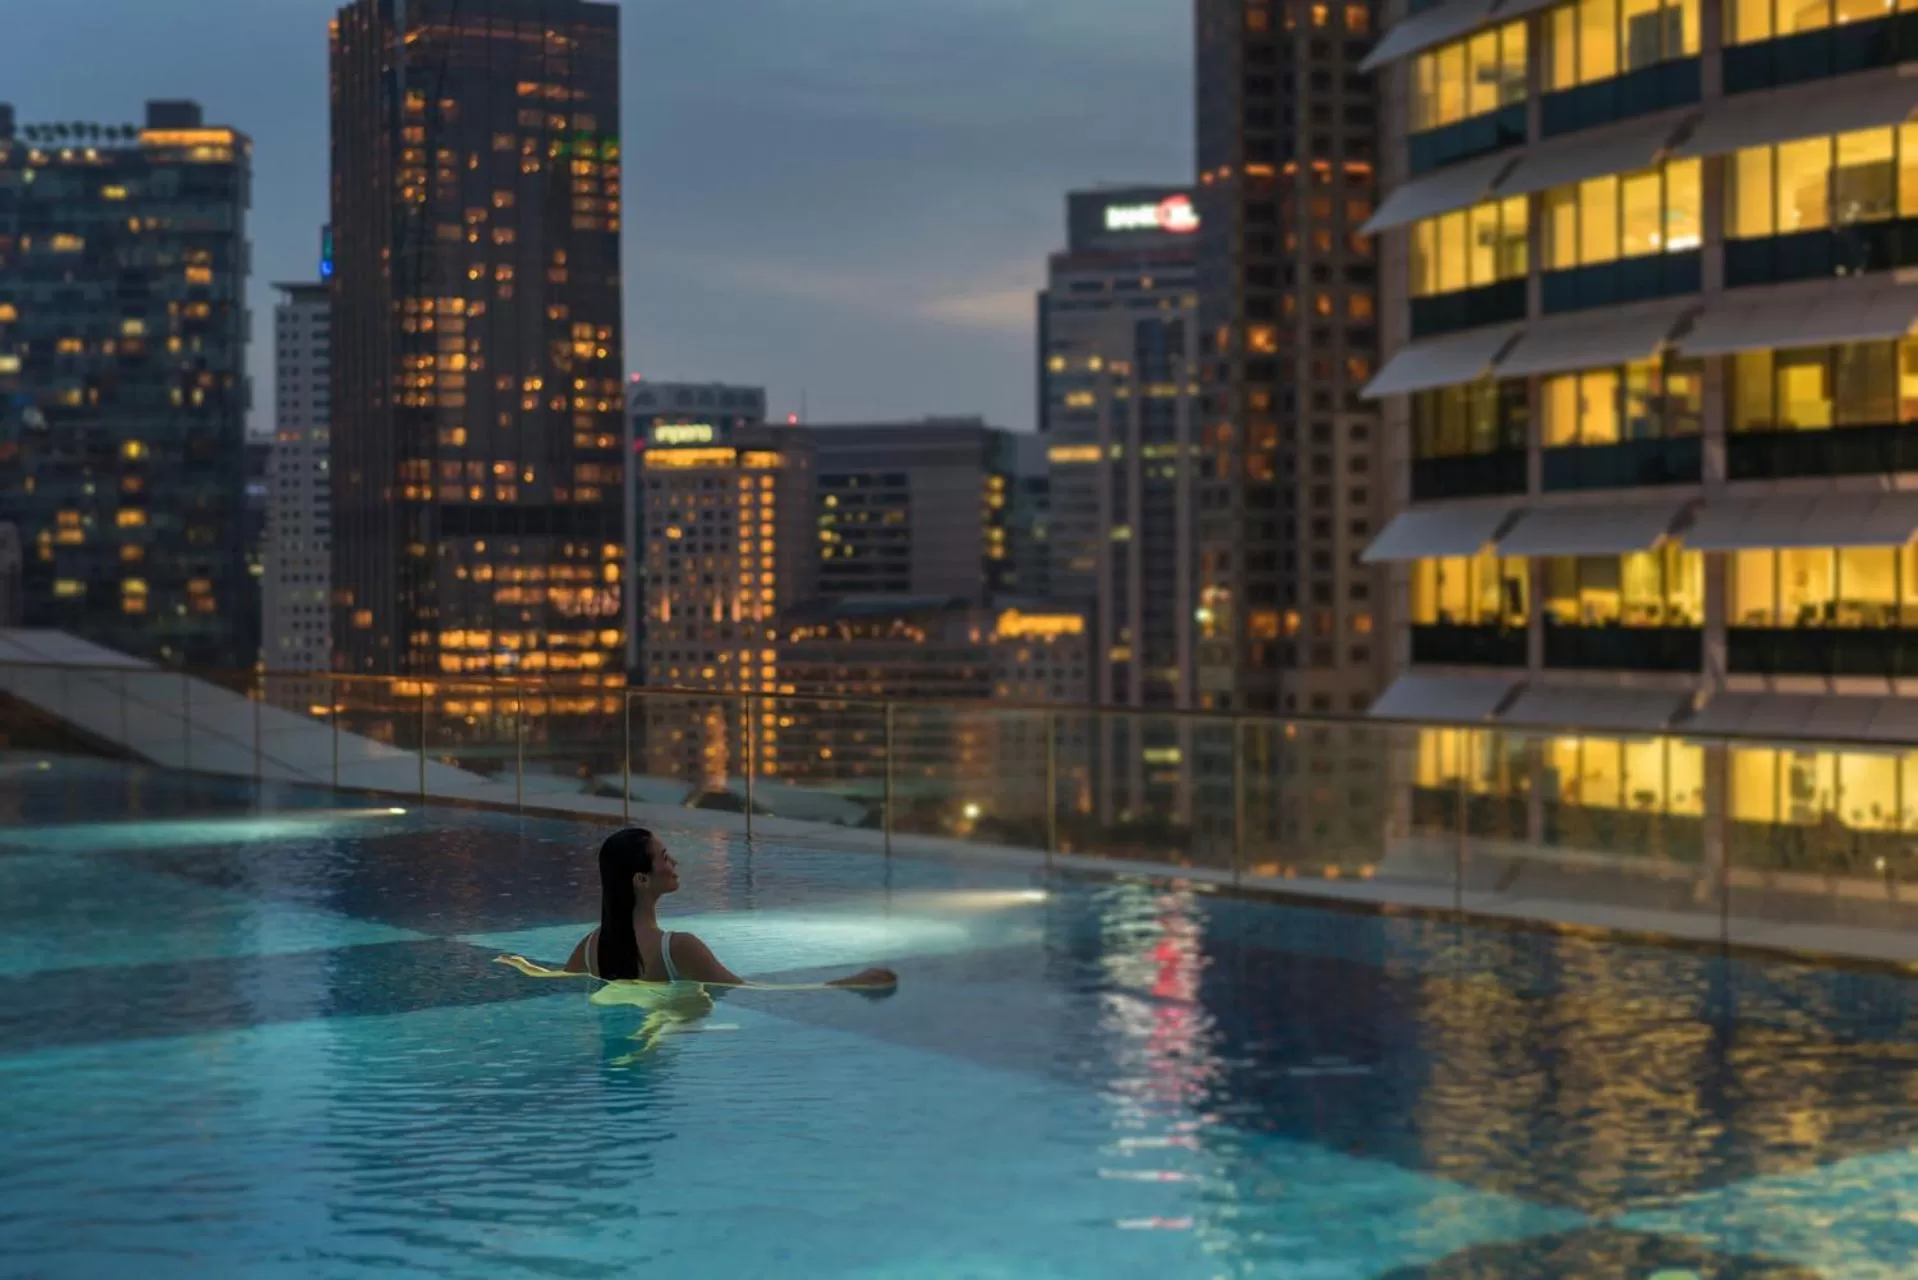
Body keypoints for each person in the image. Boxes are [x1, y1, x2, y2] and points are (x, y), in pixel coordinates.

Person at [564, 827, 897, 990]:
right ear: (641, 879)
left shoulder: (590, 948)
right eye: (664, 857)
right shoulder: (678, 948)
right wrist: (848, 983)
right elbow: (751, 994)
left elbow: (558, 990)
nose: (674, 862)